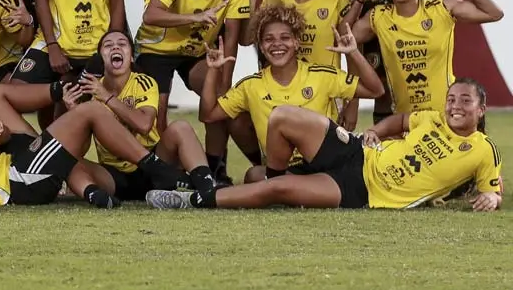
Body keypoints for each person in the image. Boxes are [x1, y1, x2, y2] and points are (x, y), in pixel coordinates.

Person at [147, 80, 502, 212]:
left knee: (276, 187)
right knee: (283, 116)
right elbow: (399, 120)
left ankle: (194, 199)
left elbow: (493, 188)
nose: (455, 106)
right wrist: (377, 129)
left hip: (364, 190)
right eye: (452, 98)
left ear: (481, 109)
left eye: (465, 101)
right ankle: (272, 179)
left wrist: (493, 197)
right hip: (359, 152)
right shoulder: (432, 118)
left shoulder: (483, 149)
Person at [0, 84, 218, 209]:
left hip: (18, 170)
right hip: (16, 181)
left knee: (77, 127)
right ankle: (161, 172)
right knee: (87, 111)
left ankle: (97, 193)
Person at [0, 30, 209, 201]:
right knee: (67, 160)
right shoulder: (91, 88)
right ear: (101, 58)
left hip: (155, 163)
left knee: (180, 127)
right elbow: (80, 140)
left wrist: (107, 98)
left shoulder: (143, 82)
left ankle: (207, 185)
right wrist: (74, 110)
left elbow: (144, 124)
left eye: (122, 44)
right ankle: (94, 195)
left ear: (131, 57)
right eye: (108, 45)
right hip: (115, 176)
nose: (116, 48)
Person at [200, 4, 384, 182]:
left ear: (296, 42)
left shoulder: (321, 75)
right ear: (261, 47)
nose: (277, 44)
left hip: (323, 165)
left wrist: (353, 53)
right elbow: (208, 115)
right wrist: (213, 70)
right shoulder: (251, 85)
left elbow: (375, 90)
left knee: (260, 178)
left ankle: (293, 188)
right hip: (283, 170)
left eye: (285, 38)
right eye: (269, 39)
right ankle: (290, 186)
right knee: (253, 175)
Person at [139, 0, 249, 182]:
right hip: (156, 48)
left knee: (219, 100)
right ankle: (168, 172)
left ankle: (215, 169)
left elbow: (232, 35)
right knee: (158, 115)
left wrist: (225, 80)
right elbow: (150, 15)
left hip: (195, 51)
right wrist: (193, 18)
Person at [352, 0, 503, 115]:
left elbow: (494, 13)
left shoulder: (442, 8)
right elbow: (344, 38)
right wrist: (358, 1)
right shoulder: (379, 16)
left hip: (446, 117)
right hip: (404, 122)